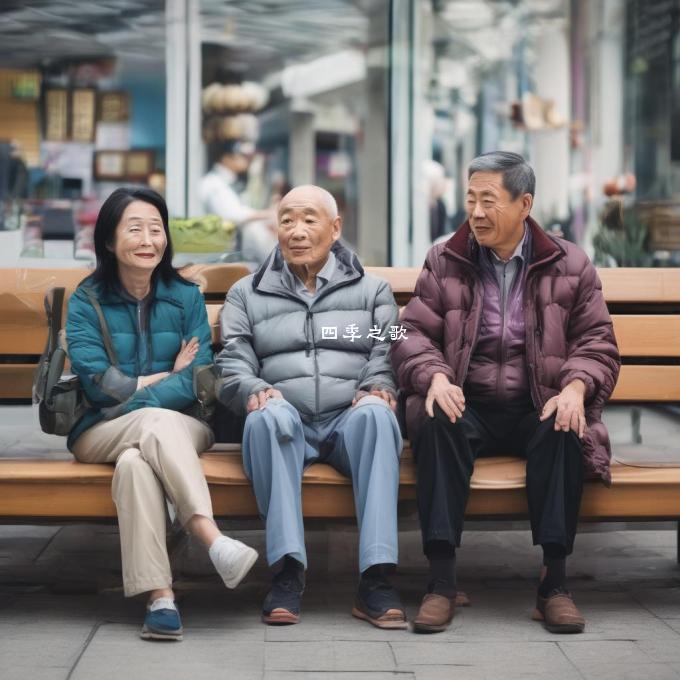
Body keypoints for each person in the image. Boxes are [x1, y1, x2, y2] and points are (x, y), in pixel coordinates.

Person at [392, 151, 620, 634]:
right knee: (434, 418)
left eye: (488, 200)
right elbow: (408, 334)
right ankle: (441, 582)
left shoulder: (569, 262)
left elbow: (597, 342)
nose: (475, 212)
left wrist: (576, 388)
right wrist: (434, 376)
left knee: (565, 423)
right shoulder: (445, 259)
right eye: (470, 199)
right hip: (466, 402)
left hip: (536, 402)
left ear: (525, 204)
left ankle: (554, 585)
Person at [66, 187, 258, 641]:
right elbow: (98, 385)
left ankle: (161, 597)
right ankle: (211, 538)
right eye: (135, 228)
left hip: (187, 423)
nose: (148, 239)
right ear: (109, 241)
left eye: (156, 229)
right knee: (150, 428)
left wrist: (136, 388)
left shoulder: (184, 296)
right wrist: (157, 380)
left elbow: (197, 378)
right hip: (98, 431)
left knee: (138, 459)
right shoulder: (86, 301)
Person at [215, 185, 405, 628]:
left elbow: (392, 345)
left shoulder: (373, 290)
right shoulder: (247, 293)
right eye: (286, 220)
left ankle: (376, 577)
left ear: (335, 228)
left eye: (309, 220)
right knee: (265, 418)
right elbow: (233, 358)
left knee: (378, 414)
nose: (296, 231)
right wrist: (252, 387)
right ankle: (286, 572)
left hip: (348, 419)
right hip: (287, 416)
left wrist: (379, 382)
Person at [199, 140, 277, 264]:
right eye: (241, 156)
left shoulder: (225, 181)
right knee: (253, 227)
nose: (246, 160)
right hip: (219, 249)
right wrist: (267, 214)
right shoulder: (214, 183)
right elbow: (234, 215)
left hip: (230, 246)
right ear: (226, 158)